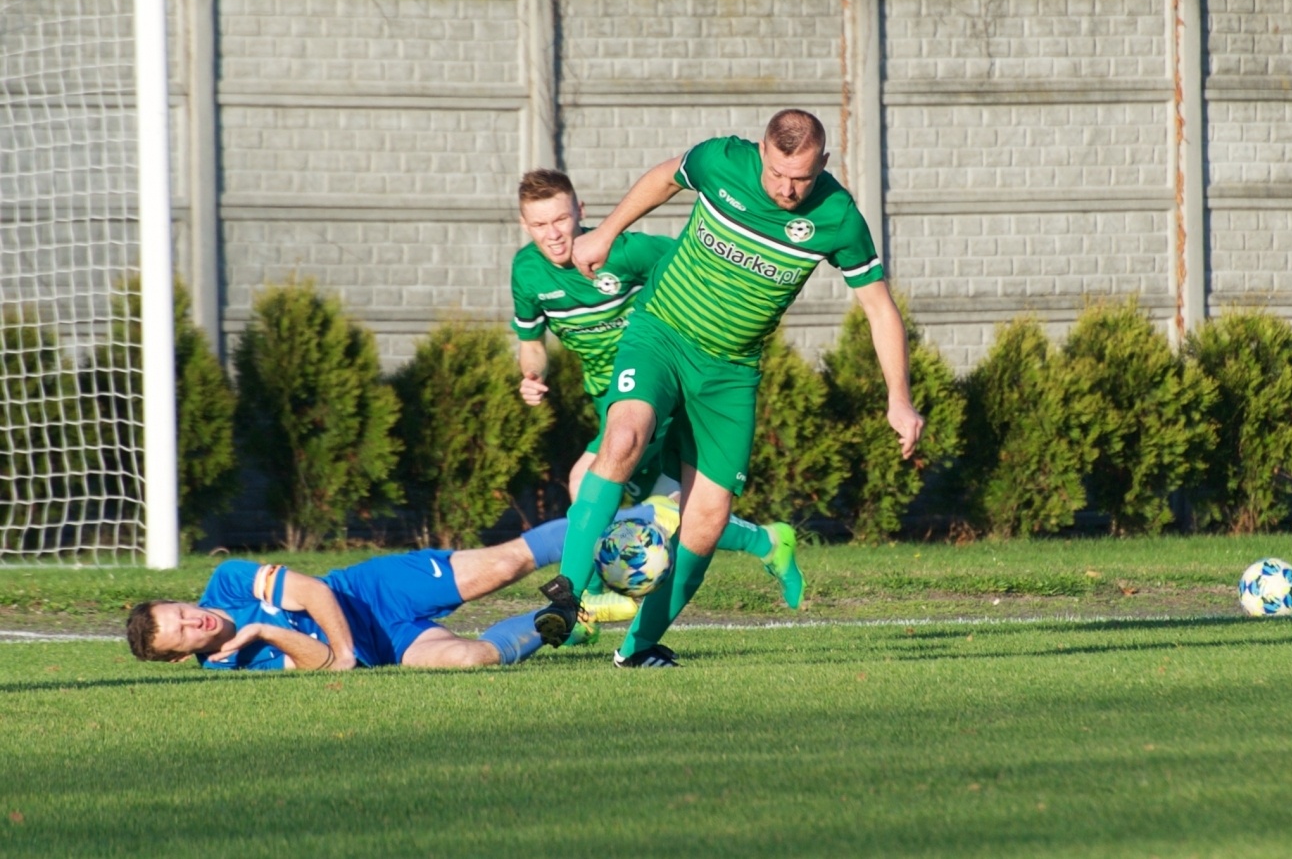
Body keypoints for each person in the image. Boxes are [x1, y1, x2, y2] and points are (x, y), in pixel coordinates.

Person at [552, 109, 925, 668]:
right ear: (760, 152)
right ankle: (565, 593)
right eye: (777, 173)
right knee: (625, 434)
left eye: (800, 177)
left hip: (729, 374)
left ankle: (641, 647)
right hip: (661, 334)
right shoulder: (721, 160)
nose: (786, 188)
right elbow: (664, 177)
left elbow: (878, 306)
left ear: (823, 163)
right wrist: (606, 232)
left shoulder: (838, 217)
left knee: (707, 518)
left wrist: (899, 396)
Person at [510, 168, 805, 610]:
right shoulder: (527, 272)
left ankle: (582, 603)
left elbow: (696, 270)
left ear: (580, 212)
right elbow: (531, 342)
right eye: (539, 224)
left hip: (656, 390)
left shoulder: (626, 252)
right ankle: (768, 542)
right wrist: (532, 375)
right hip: (607, 403)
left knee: (583, 481)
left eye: (561, 220)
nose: (553, 234)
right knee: (680, 511)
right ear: (524, 225)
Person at [122, 501, 680, 671]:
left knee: (504, 566)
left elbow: (315, 592)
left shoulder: (225, 582)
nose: (194, 620)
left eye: (180, 610)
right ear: (182, 657)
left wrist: (342, 651)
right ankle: (570, 622)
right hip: (384, 647)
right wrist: (264, 629)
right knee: (470, 658)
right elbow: (314, 662)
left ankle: (641, 512)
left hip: (375, 590)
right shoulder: (227, 666)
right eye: (183, 634)